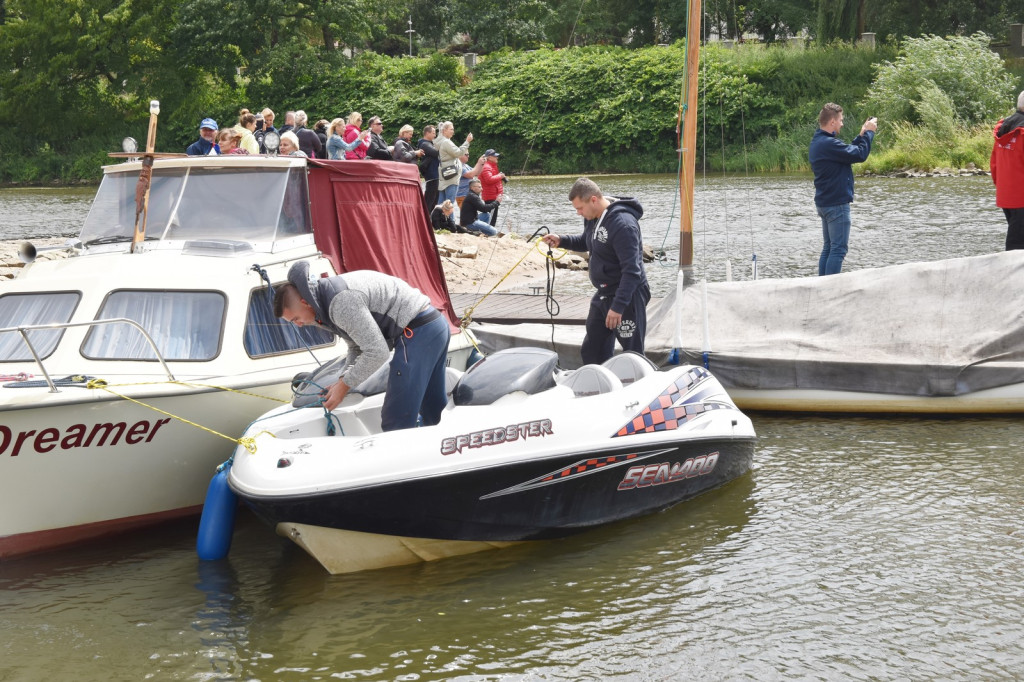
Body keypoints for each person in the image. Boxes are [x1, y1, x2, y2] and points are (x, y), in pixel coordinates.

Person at [274, 262, 451, 431]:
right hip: (434, 326)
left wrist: (344, 386)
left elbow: (377, 351)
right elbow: (356, 346)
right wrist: (340, 381)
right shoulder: (323, 303)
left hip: (417, 332)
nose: (298, 325)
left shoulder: (340, 302)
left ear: (305, 302)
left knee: (396, 420)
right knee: (433, 410)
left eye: (295, 319)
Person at [541, 177, 650, 365]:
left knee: (633, 354)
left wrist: (618, 307)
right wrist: (562, 240)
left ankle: (642, 386)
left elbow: (632, 271)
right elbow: (588, 241)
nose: (578, 213)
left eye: (579, 208)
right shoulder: (593, 217)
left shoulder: (623, 224)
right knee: (592, 349)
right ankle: (600, 386)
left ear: (593, 199)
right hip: (603, 294)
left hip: (628, 295)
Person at [809, 102, 877, 276]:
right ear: (832, 122)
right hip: (836, 204)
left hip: (825, 204)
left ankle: (821, 286)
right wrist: (869, 133)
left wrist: (861, 135)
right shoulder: (828, 144)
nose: (842, 123)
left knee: (829, 248)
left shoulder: (820, 142)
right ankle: (829, 289)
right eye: (840, 120)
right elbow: (859, 155)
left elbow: (846, 153)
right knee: (838, 250)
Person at [990, 90, 1024, 251]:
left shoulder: (1005, 128)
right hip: (1021, 197)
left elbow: (994, 164)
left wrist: (1002, 187)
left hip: (1006, 195)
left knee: (1016, 237)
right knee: (1017, 245)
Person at [435, 121, 473, 205]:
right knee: (449, 203)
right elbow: (458, 153)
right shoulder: (446, 142)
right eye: (451, 129)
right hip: (451, 176)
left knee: (441, 203)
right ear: (444, 131)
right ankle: (449, 218)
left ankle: (437, 218)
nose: (453, 131)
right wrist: (467, 141)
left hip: (444, 175)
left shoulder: (442, 141)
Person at [479, 149, 507, 228]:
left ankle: (489, 231)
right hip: (490, 196)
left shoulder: (491, 166)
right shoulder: (486, 167)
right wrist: (500, 176)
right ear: (490, 157)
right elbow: (489, 180)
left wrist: (499, 176)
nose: (497, 158)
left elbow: (492, 178)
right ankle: (488, 232)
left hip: (494, 195)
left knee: (492, 216)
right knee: (490, 217)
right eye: (495, 156)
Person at [418, 125, 440, 212]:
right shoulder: (424, 144)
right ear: (427, 133)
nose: (435, 135)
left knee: (435, 198)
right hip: (431, 174)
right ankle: (425, 217)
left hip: (435, 173)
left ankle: (428, 217)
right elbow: (436, 153)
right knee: (430, 198)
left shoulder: (430, 143)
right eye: (433, 133)